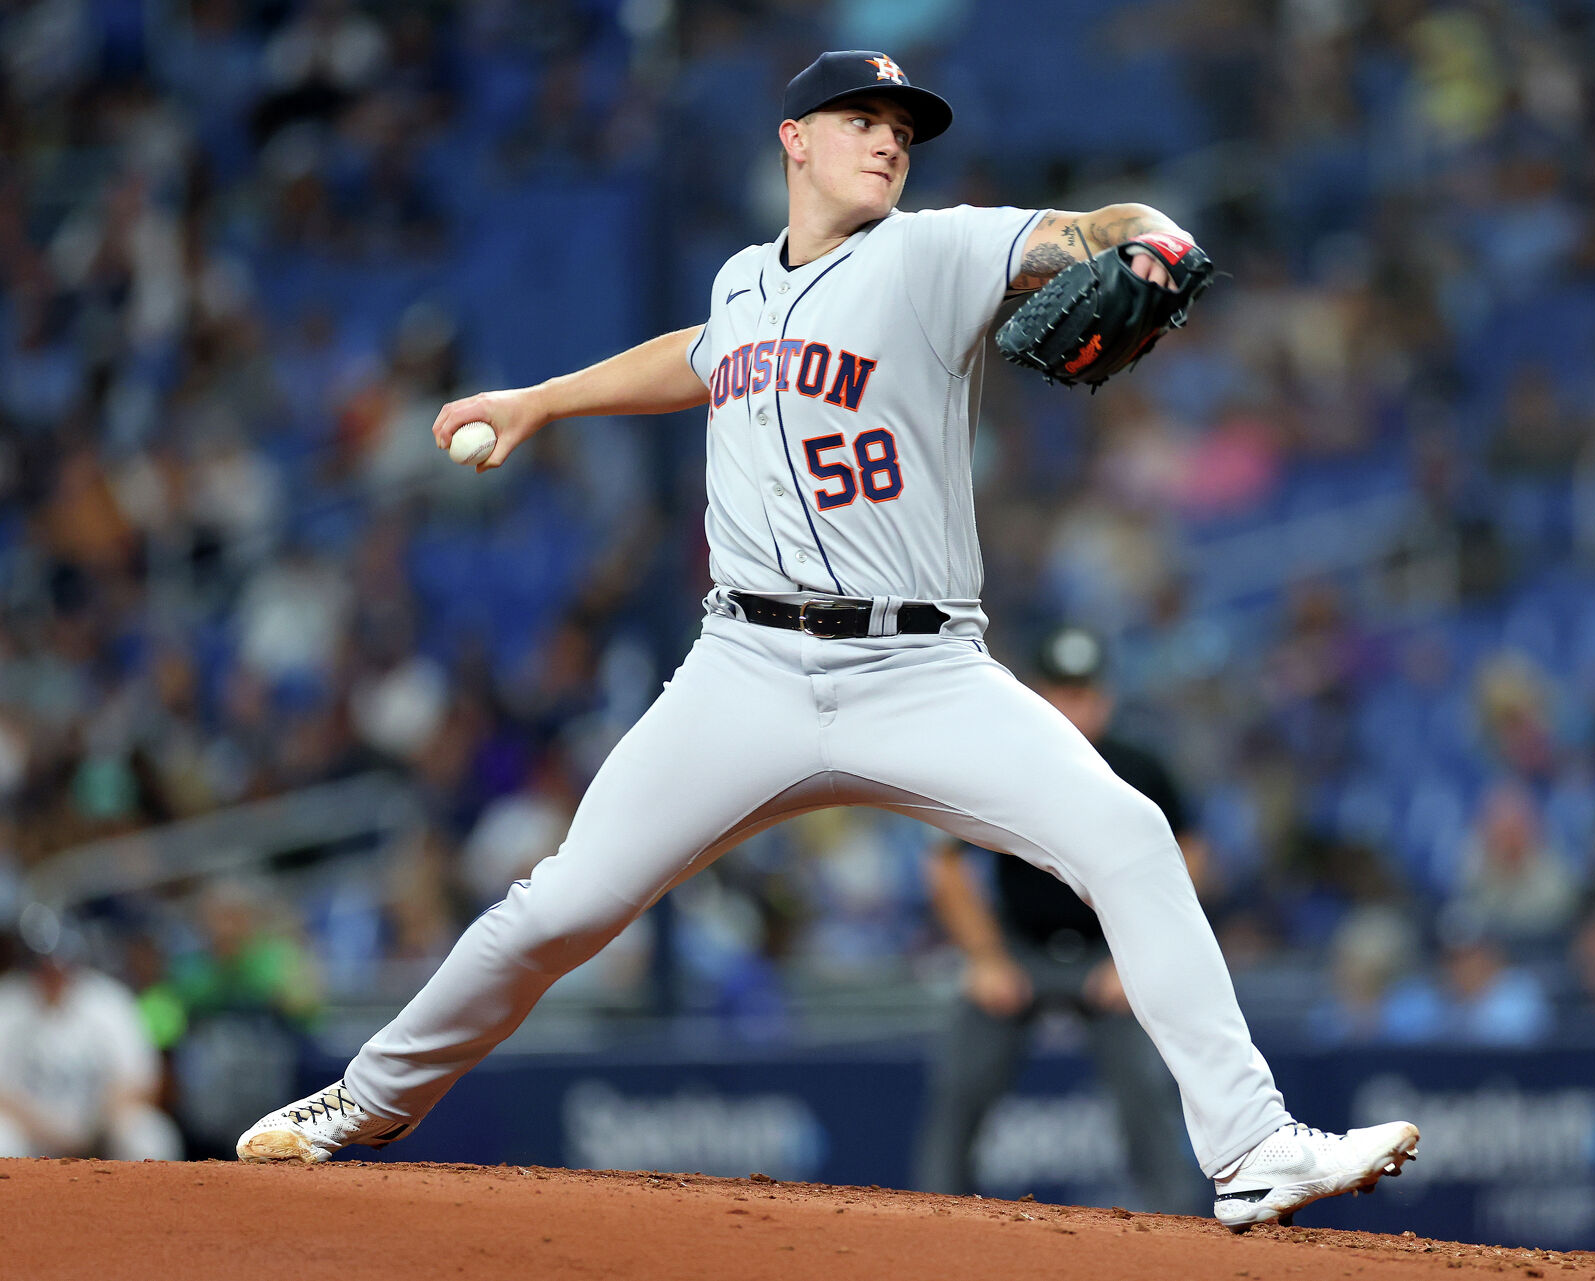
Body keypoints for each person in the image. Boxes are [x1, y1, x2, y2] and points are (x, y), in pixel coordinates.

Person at [233, 50, 1418, 1230]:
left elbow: (1081, 229)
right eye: (860, 118)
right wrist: (540, 400)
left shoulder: (932, 251)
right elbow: (701, 357)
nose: (890, 140)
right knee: (560, 909)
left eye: (903, 126)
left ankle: (1253, 1145)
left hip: (920, 669)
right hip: (742, 671)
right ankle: (366, 1102)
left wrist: (1147, 235)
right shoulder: (745, 281)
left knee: (1127, 834)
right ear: (794, 139)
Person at [915, 627, 1210, 1214]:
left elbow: (1192, 858)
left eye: (1086, 691)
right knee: (960, 1085)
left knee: (1148, 1092)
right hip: (1020, 951)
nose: (1076, 706)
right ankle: (935, 1219)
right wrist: (986, 958)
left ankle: (1180, 1227)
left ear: (1107, 695)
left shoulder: (1140, 767)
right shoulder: (1005, 765)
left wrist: (1145, 957)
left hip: (1114, 956)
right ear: (1040, 695)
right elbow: (944, 866)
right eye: (1062, 691)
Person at [0, 905, 182, 1160]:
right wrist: (51, 1134)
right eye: (43, 964)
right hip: (30, 1133)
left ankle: (150, 1201)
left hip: (99, 1131)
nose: (52, 970)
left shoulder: (109, 1000)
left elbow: (141, 1081)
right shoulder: (8, 1002)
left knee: (147, 1134)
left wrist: (96, 1127)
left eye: (59, 962)